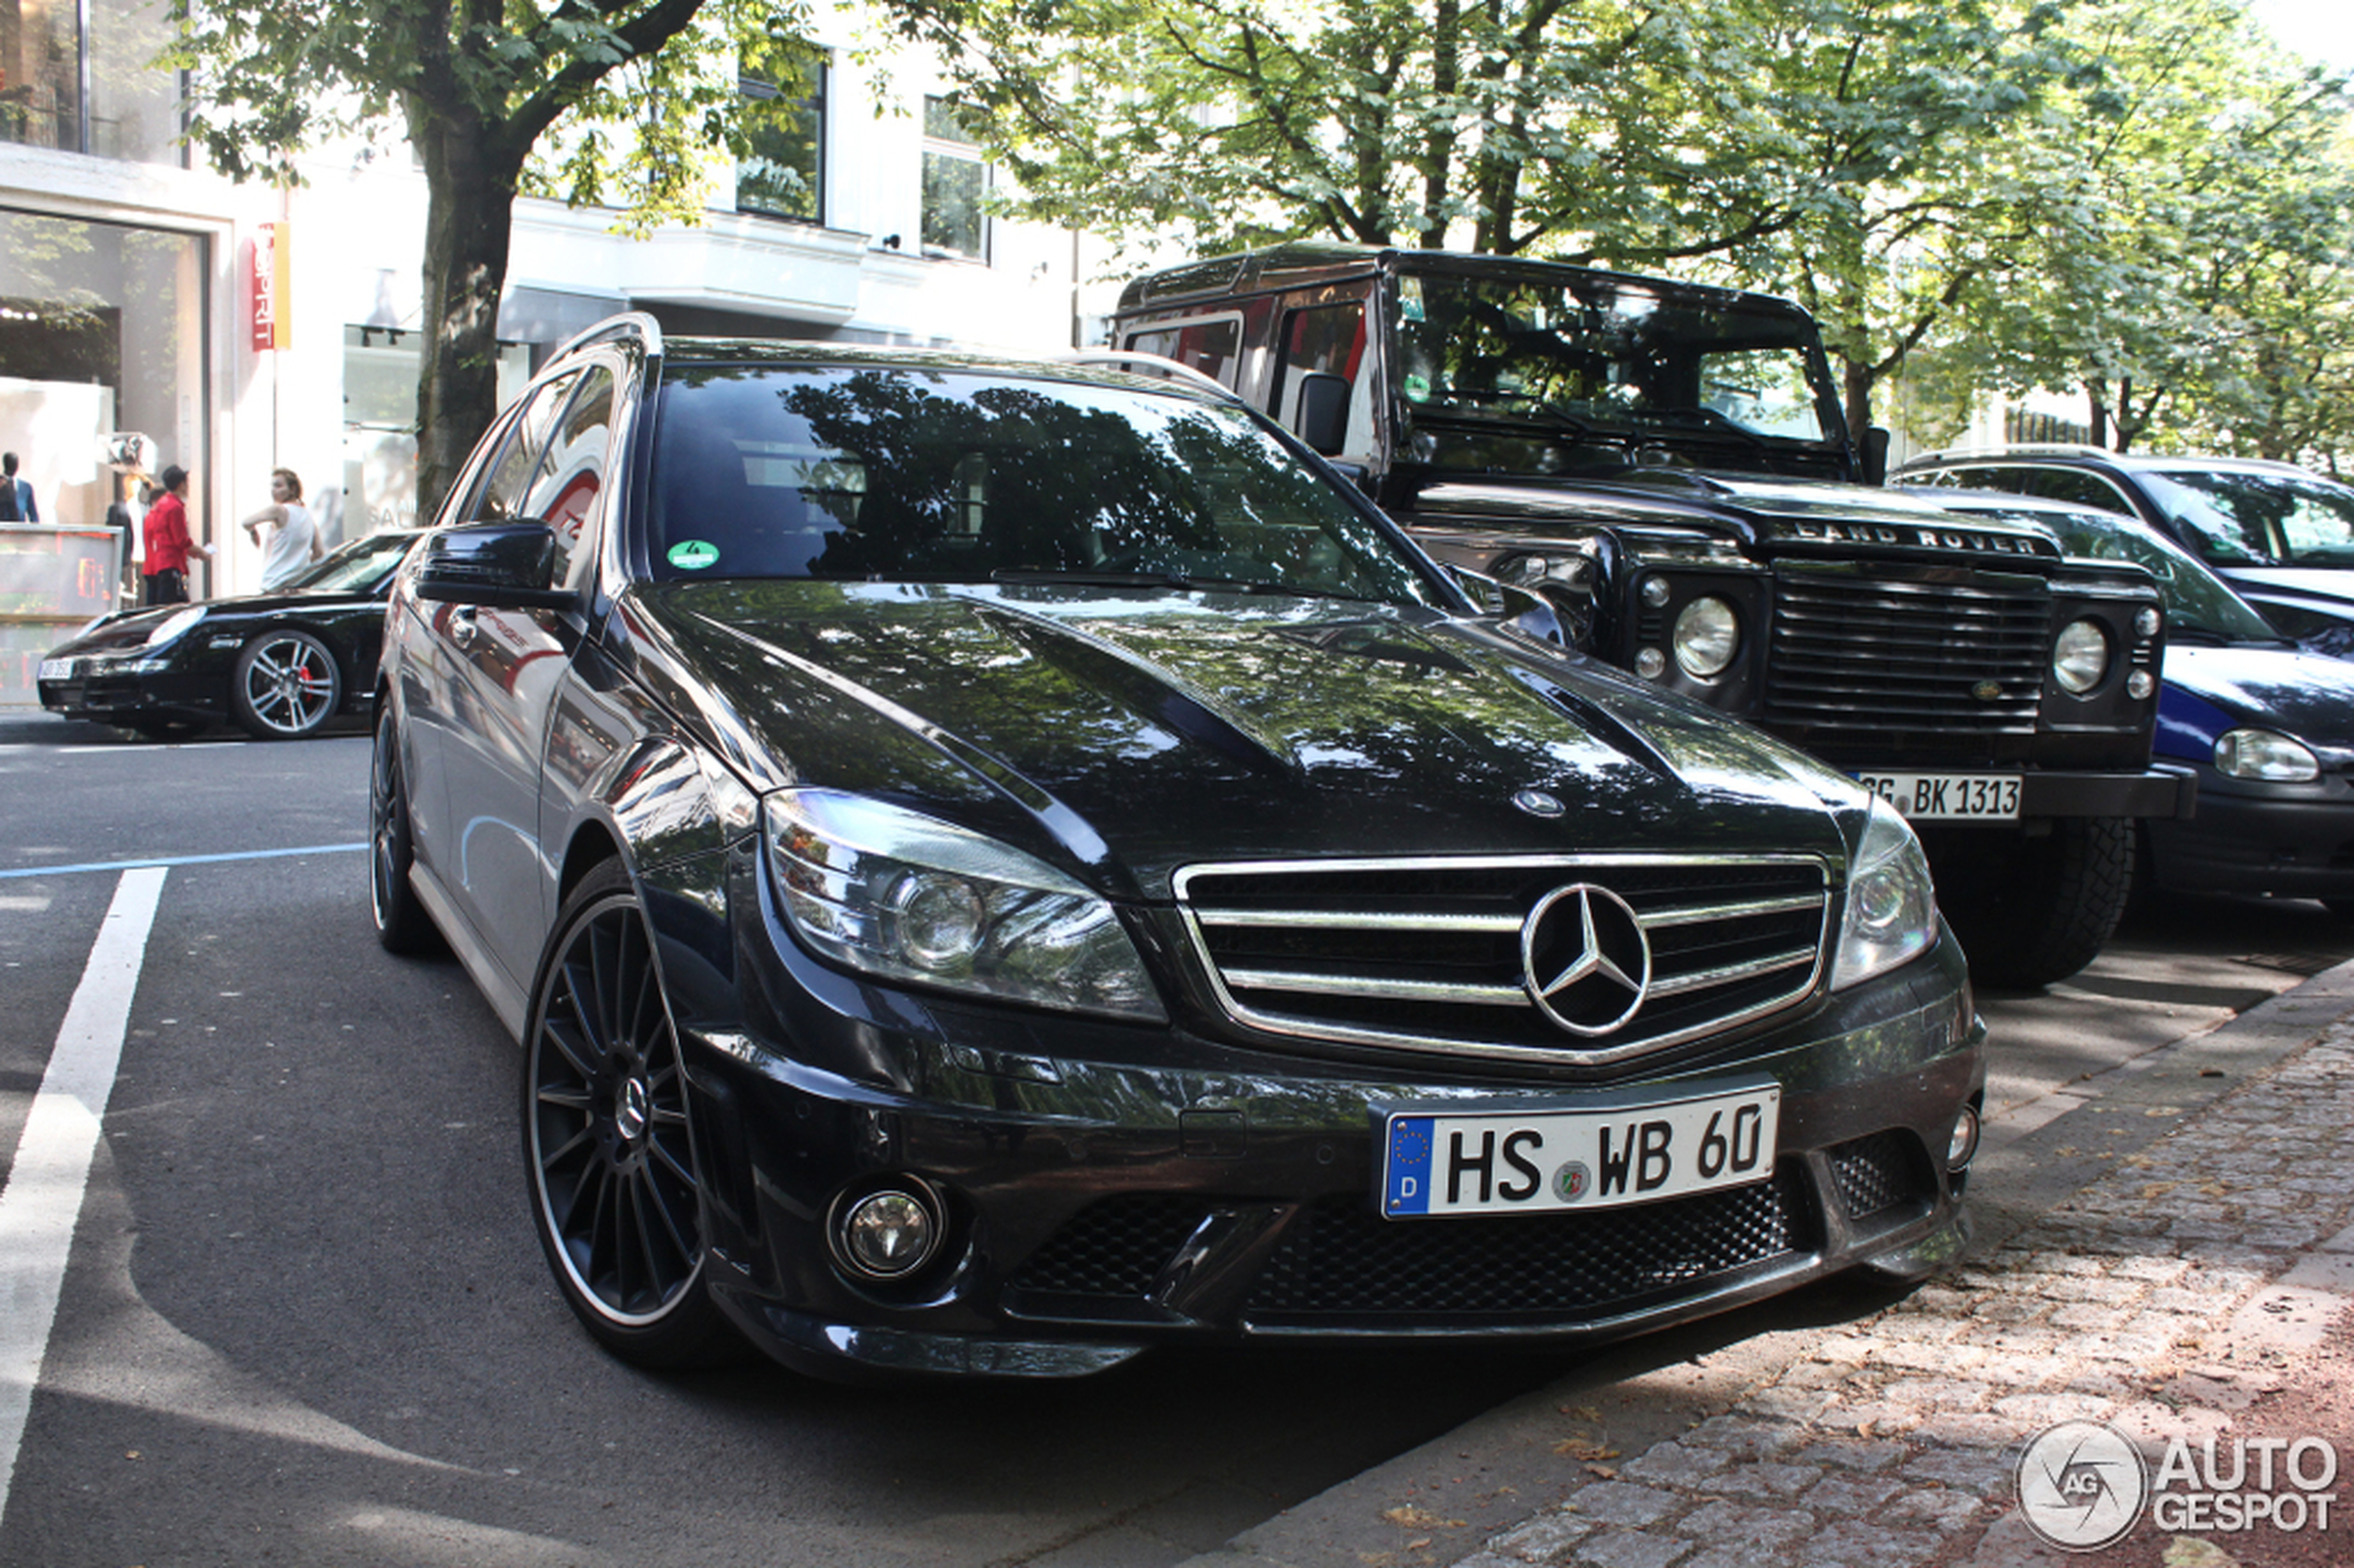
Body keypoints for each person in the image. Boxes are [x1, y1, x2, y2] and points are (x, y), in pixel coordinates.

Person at [239, 466, 323, 589]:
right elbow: (318, 552)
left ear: (292, 489)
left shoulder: (279, 510)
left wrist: (253, 532)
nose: (273, 491)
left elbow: (246, 522)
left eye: (278, 486)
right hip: (298, 584)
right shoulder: (308, 516)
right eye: (272, 486)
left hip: (274, 582)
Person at [143, 464, 210, 604]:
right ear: (181, 485)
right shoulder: (175, 507)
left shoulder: (162, 504)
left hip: (162, 562)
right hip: (171, 563)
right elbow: (180, 540)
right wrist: (200, 551)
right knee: (176, 607)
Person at [2, 452, 35, 522]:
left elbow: (33, 514)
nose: (13, 467)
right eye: (10, 463)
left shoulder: (26, 487)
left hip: (19, 529)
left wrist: (36, 529)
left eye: (15, 464)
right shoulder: (1, 484)